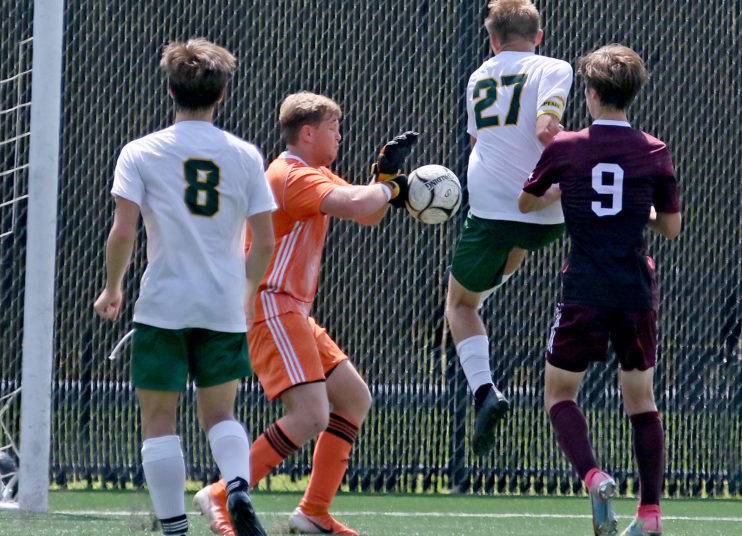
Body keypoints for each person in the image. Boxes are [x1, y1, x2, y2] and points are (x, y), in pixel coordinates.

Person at [193, 92, 418, 535]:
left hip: (291, 308)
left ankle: (313, 512)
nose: (340, 134)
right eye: (334, 127)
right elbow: (358, 204)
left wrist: (386, 177)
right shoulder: (292, 174)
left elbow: (366, 213)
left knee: (353, 398)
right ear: (308, 132)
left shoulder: (313, 172)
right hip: (272, 303)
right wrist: (393, 186)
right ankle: (220, 492)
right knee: (311, 415)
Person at [93, 38, 277, 536]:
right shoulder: (244, 155)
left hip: (163, 305)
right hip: (221, 305)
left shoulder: (141, 152)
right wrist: (246, 292)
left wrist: (113, 288)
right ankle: (237, 484)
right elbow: (264, 239)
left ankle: (174, 527)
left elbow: (124, 230)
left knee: (158, 420)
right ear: (221, 96)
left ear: (170, 90)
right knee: (220, 413)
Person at [518, 44, 681, 536]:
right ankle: (650, 515)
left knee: (559, 393)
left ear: (589, 94)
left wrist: (565, 190)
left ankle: (594, 474)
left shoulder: (566, 147)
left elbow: (527, 203)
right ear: (631, 94)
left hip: (584, 290)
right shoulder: (654, 150)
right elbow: (670, 228)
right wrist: (641, 211)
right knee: (641, 400)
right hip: (634, 290)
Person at [445, 0, 573, 456]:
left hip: (493, 207)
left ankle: (485, 392)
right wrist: (574, 167)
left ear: (493, 39)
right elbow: (546, 130)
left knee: (460, 305)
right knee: (516, 248)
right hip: (547, 214)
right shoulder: (554, 66)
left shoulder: (478, 75)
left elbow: (483, 141)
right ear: (538, 35)